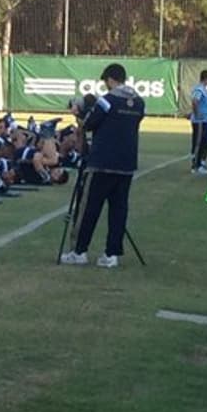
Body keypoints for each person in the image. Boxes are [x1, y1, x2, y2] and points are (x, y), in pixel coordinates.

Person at [60, 63, 145, 268]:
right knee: (119, 209)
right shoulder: (140, 102)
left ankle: (79, 251)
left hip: (102, 163)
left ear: (110, 80)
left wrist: (78, 115)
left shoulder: (107, 101)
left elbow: (89, 123)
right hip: (126, 164)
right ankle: (111, 254)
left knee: (89, 208)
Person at [189, 70, 207, 175]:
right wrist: (197, 114)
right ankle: (196, 166)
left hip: (205, 120)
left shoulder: (204, 90)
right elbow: (195, 101)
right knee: (198, 143)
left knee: (203, 142)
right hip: (200, 122)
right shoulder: (199, 89)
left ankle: (198, 164)